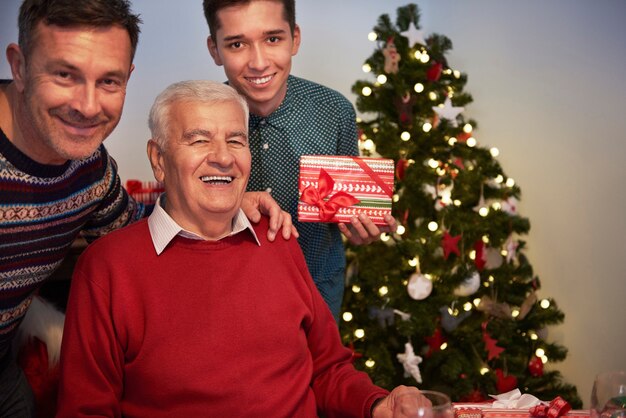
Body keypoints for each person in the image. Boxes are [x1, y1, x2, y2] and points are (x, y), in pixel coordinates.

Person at [57, 79, 427, 417]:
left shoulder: (278, 240)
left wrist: (377, 404)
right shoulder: (107, 268)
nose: (223, 156)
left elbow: (328, 369)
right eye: (199, 140)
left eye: (236, 140)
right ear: (159, 160)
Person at [0, 0, 292, 415]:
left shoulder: (92, 170)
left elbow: (140, 234)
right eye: (65, 75)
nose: (87, 105)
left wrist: (219, 200)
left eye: (109, 82)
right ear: (20, 65)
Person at [203, 0, 398, 320]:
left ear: (295, 38)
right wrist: (225, 204)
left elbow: (346, 203)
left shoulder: (335, 111)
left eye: (273, 39)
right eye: (237, 44)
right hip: (227, 288)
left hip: (316, 284)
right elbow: (177, 208)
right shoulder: (200, 116)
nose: (259, 62)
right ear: (215, 50)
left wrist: (362, 223)